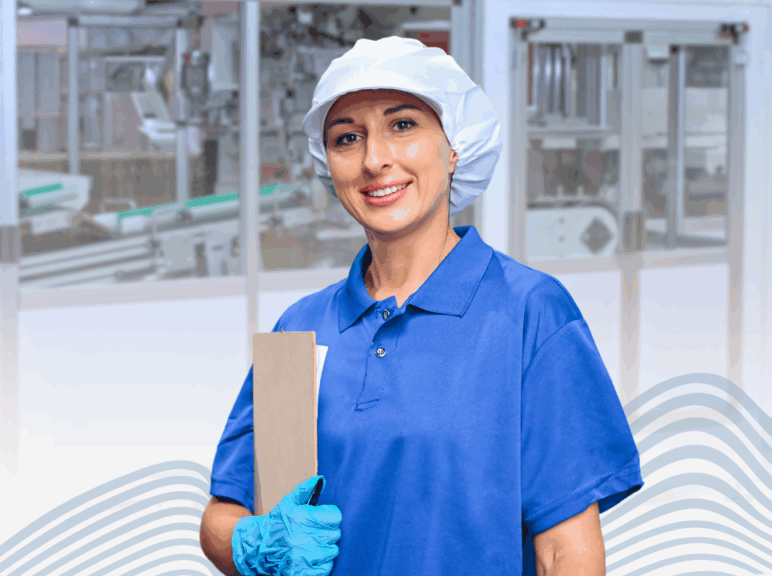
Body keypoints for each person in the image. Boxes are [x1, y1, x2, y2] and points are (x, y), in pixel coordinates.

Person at [199, 36, 642, 576]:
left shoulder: (528, 314)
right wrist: (251, 542)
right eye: (347, 137)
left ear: (454, 147)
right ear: (329, 164)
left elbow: (565, 552)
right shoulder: (304, 330)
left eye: (403, 126)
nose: (374, 159)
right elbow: (225, 513)